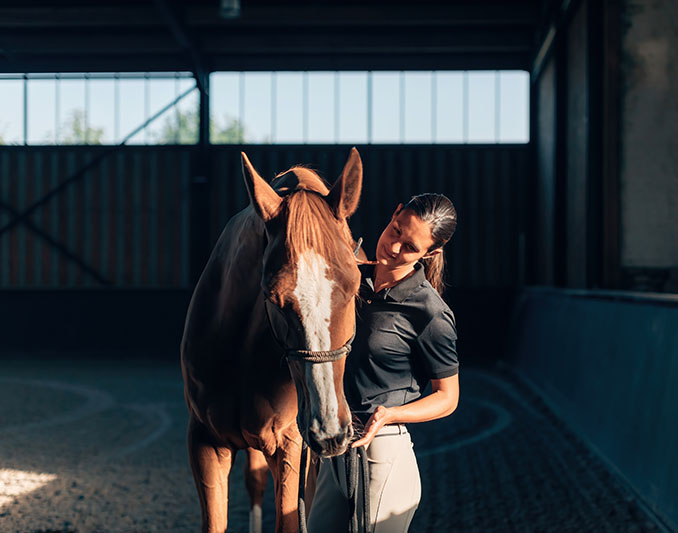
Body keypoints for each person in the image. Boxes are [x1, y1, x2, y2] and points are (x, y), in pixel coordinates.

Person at [307, 193, 460, 532]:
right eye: (395, 231)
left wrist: (391, 414)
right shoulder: (351, 283)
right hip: (336, 449)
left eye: (409, 247)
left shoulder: (429, 313)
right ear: (394, 214)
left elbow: (448, 397)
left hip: (383, 452)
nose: (393, 248)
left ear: (430, 254)